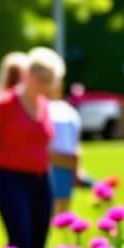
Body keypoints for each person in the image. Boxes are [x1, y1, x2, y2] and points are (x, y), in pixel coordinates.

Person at [0, 46, 59, 248]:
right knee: (21, 241)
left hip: (41, 179)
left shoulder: (44, 105)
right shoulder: (4, 104)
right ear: (27, 75)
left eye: (49, 81)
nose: (44, 86)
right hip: (9, 179)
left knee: (39, 243)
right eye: (41, 79)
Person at [48, 81, 83, 214]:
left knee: (60, 210)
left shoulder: (67, 111)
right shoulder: (69, 111)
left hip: (62, 163)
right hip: (57, 162)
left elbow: (76, 143)